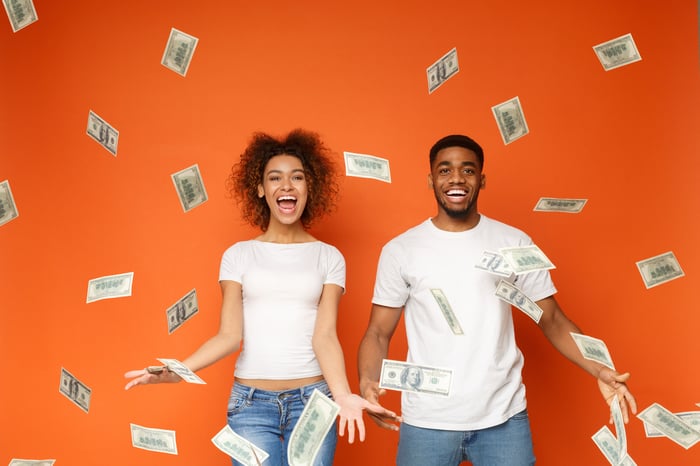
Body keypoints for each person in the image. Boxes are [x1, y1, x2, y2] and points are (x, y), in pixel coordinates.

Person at [357, 134, 637, 466]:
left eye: (468, 170)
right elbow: (377, 332)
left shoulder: (514, 242)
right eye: (445, 170)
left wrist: (600, 369)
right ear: (431, 179)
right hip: (427, 421)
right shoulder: (400, 250)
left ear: (482, 179)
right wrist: (367, 382)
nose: (457, 178)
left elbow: (552, 319)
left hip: (503, 419)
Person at [125, 129, 394, 466]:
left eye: (297, 177)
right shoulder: (238, 255)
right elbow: (228, 335)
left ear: (309, 187)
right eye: (275, 178)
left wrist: (342, 396)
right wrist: (179, 370)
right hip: (250, 406)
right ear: (260, 189)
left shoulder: (329, 257)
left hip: (313, 402)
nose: (287, 185)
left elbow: (324, 335)